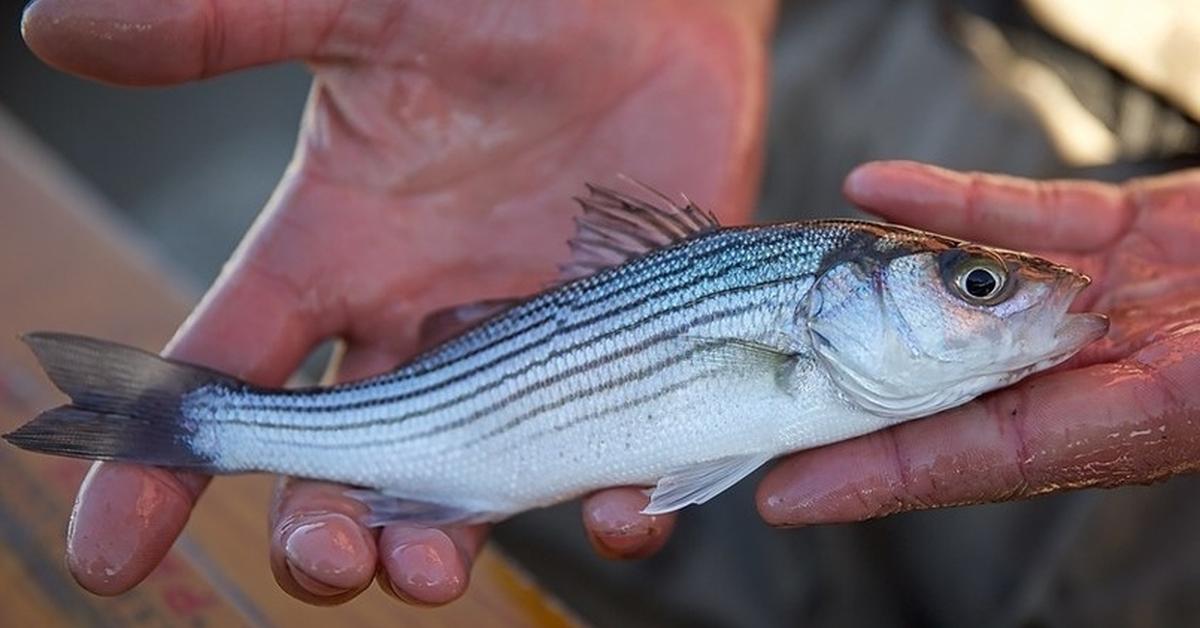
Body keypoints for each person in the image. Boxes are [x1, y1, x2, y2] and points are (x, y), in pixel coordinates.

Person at [18, 0, 1199, 613]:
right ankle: (209, 424)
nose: (1003, 298)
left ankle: (208, 423)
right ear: (829, 309)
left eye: (978, 282)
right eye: (978, 284)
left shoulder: (823, 344)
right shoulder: (804, 341)